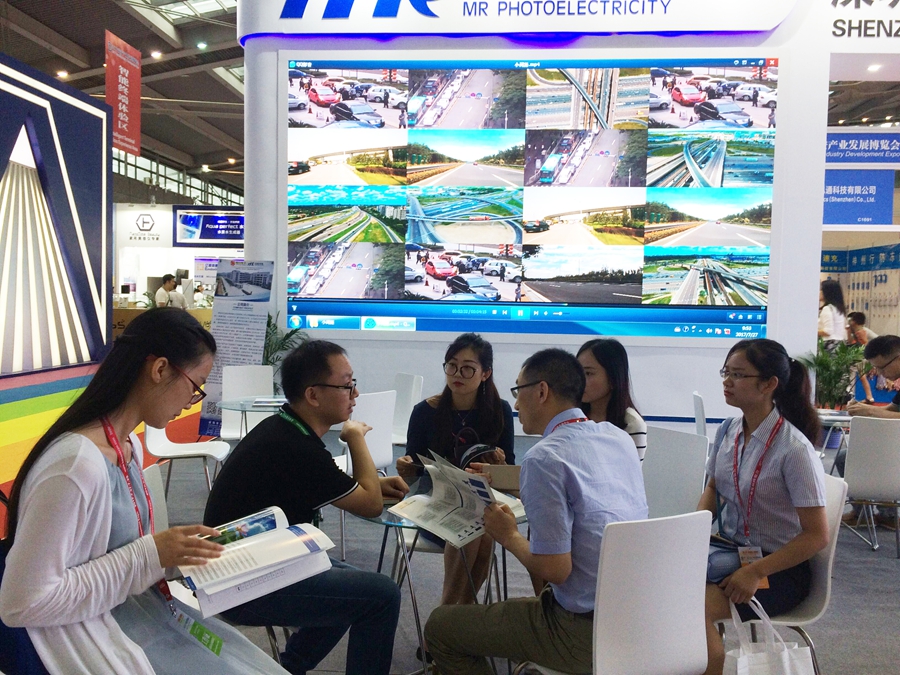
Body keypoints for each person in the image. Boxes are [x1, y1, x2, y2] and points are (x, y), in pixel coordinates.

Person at [0, 308, 287, 675]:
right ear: (160, 369)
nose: (192, 401)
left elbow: (121, 553)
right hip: (99, 636)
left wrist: (176, 553)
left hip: (140, 617)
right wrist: (150, 555)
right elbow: (22, 603)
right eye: (195, 386)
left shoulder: (126, 446)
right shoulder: (75, 466)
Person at [424, 349, 647, 675]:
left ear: (541, 391)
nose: (515, 404)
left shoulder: (544, 457)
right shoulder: (617, 438)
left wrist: (508, 535)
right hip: (635, 618)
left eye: (519, 390)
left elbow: (555, 569)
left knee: (440, 627)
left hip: (581, 631)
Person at [203, 340, 407, 675]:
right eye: (346, 385)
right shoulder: (298, 448)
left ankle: (289, 668)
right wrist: (355, 436)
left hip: (257, 561)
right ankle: (291, 666)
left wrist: (370, 485)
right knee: (381, 595)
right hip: (243, 584)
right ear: (313, 395)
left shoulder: (284, 429)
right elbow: (371, 505)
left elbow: (335, 485)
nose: (355, 394)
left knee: (353, 587)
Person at [697, 339, 828, 675]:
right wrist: (692, 534)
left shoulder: (793, 450)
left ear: (769, 384)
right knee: (659, 583)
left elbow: (816, 536)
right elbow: (713, 487)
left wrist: (756, 572)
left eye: (738, 374)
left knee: (691, 608)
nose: (727, 381)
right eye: (726, 372)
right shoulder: (728, 430)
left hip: (778, 569)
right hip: (732, 552)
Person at [397, 333, 514, 606]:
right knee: (476, 531)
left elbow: (509, 469)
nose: (457, 374)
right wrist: (405, 468)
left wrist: (498, 466)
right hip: (436, 502)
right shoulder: (425, 411)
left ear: (485, 374)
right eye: (452, 365)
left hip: (482, 500)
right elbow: (414, 470)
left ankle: (450, 617)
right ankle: (453, 615)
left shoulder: (499, 410)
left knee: (480, 527)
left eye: (468, 368)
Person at [576, 339, 647, 458]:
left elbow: (631, 469)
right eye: (578, 372)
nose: (580, 380)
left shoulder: (632, 424)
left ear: (613, 378)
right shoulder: (572, 415)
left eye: (588, 373)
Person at [847, 311, 877, 404]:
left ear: (854, 321)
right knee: (861, 376)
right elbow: (850, 342)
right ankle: (869, 396)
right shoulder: (854, 331)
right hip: (858, 356)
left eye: (850, 320)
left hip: (862, 356)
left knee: (858, 375)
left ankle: (852, 393)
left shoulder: (863, 331)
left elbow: (870, 341)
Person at [817, 279, 846, 349]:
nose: (819, 292)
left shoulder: (827, 308)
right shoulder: (838, 308)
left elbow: (828, 331)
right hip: (838, 344)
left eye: (821, 290)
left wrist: (811, 332)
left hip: (829, 344)